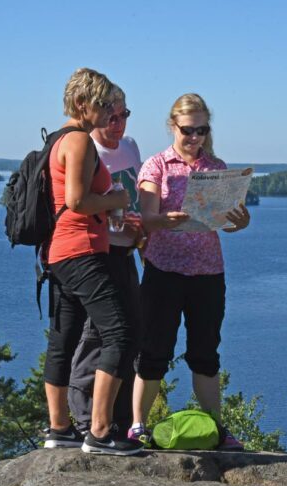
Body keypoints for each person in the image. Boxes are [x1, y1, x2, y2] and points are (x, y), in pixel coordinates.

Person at [129, 93, 250, 450]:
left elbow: (225, 223)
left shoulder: (216, 168)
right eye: (187, 130)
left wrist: (239, 222)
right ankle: (138, 426)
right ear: (172, 126)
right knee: (154, 352)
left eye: (201, 130)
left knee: (205, 353)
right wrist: (163, 220)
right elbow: (147, 216)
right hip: (163, 271)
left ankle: (216, 427)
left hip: (208, 273)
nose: (194, 137)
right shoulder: (157, 166)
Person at [41, 68, 143, 456]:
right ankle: (100, 432)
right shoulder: (80, 140)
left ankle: (59, 428)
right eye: (101, 104)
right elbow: (78, 201)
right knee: (120, 332)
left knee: (63, 339)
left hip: (58, 252)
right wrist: (117, 201)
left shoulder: (56, 139)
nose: (107, 113)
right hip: (81, 248)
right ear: (82, 104)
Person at [68, 85, 144, 438]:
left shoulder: (129, 148)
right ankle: (87, 422)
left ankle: (122, 421)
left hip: (128, 250)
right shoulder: (88, 148)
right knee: (100, 334)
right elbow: (76, 204)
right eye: (111, 116)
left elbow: (136, 199)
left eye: (124, 115)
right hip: (100, 252)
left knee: (131, 335)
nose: (118, 124)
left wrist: (142, 230)